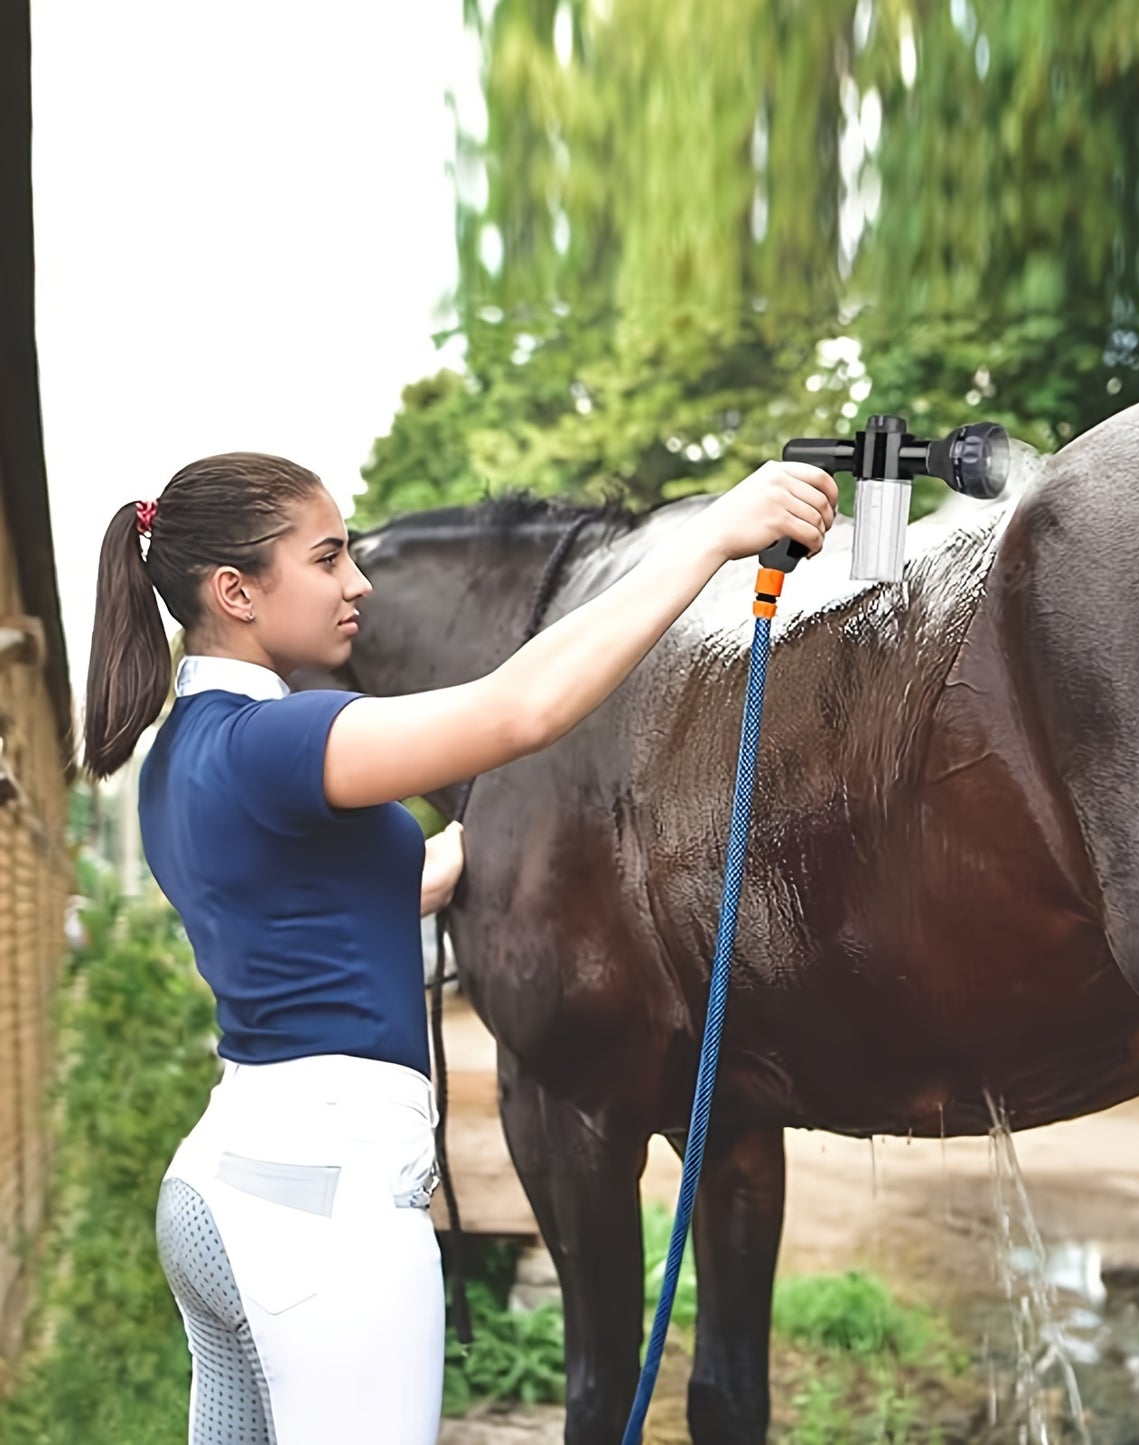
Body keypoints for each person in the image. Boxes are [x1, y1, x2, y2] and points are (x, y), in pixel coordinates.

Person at [82, 450, 837, 1445]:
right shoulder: (281, 740)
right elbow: (521, 709)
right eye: (327, 558)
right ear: (236, 592)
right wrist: (709, 535)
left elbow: (316, 902)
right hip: (325, 1226)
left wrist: (456, 863)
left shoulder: (182, 753)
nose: (358, 581)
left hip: (222, 1192)